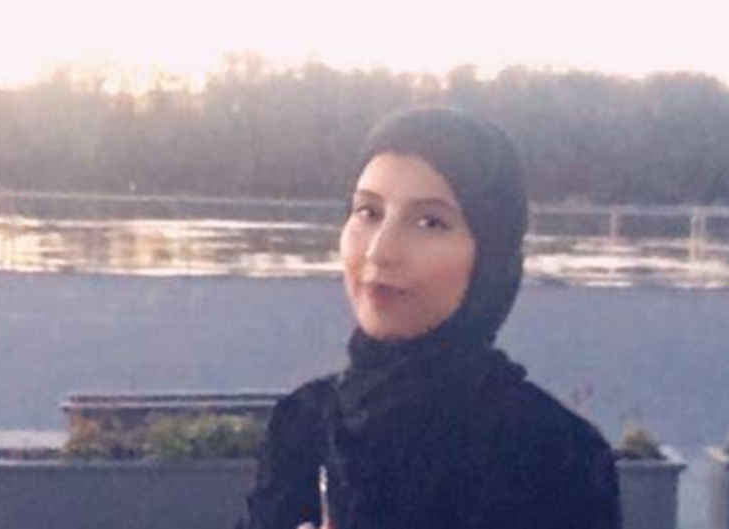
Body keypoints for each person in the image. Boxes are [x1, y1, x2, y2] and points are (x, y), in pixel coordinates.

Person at [242, 107, 620, 529]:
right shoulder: (303, 426)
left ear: (489, 256)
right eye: (368, 212)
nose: (380, 251)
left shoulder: (551, 456)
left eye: (429, 222)